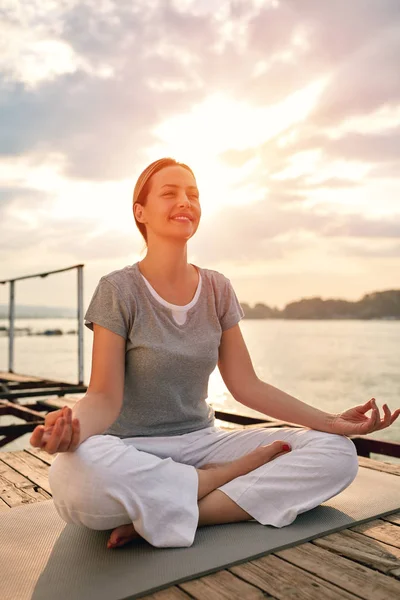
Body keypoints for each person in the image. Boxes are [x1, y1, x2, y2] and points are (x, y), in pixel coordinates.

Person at [29, 157, 399, 550]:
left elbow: (246, 385)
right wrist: (69, 430)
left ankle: (194, 511)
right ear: (141, 212)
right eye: (169, 193)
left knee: (336, 454)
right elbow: (103, 398)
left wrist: (331, 422)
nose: (185, 201)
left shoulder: (217, 288)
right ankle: (212, 481)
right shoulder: (118, 290)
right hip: (132, 447)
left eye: (193, 194)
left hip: (203, 442)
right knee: (72, 476)